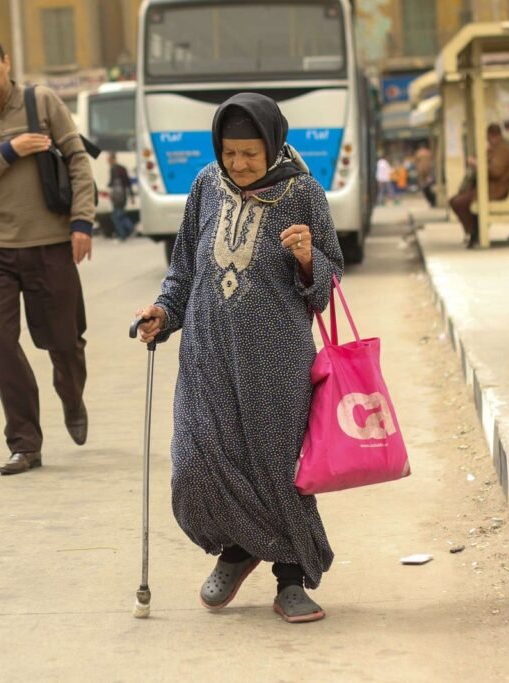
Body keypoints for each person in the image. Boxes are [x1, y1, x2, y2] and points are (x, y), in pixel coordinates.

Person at [133, 93, 344, 623]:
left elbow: (328, 281)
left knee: (275, 470)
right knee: (195, 465)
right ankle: (239, 548)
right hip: (207, 354)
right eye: (230, 152)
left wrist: (305, 256)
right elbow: (185, 268)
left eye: (250, 153)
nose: (239, 164)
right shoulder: (206, 185)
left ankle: (290, 578)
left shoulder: (303, 193)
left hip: (276, 360)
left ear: (272, 146)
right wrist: (163, 311)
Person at [0, 33, 96, 476]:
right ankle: (25, 443)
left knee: (64, 343)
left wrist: (81, 222)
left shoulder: (42, 102)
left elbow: (77, 159)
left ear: (6, 62)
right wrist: (8, 151)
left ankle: (71, 395)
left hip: (49, 242)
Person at [449, 124, 509, 248]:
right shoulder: (495, 149)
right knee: (456, 200)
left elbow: (496, 171)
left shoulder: (503, 151)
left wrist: (477, 164)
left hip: (495, 189)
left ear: (492, 136)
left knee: (460, 202)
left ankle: (474, 231)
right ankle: (473, 231)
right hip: (488, 187)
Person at [107, 152, 135, 240]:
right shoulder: (122, 168)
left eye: (109, 160)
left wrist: (108, 186)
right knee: (121, 214)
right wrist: (131, 195)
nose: (108, 162)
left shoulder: (113, 169)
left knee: (116, 216)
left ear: (113, 159)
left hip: (117, 197)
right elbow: (128, 183)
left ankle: (124, 234)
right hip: (123, 196)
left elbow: (112, 183)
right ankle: (130, 229)